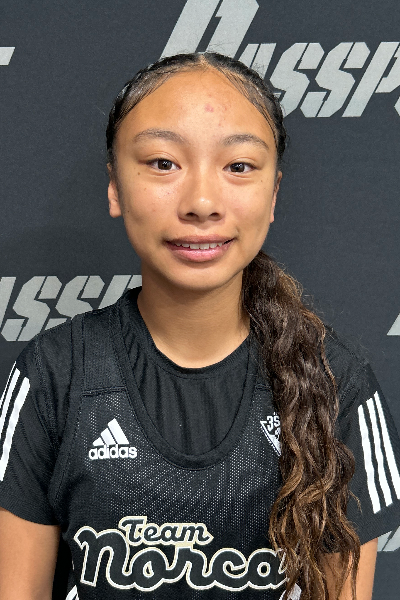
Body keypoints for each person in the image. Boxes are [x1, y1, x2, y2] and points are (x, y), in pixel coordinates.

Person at [0, 52, 400, 600]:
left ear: (274, 193)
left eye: (239, 166)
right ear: (115, 186)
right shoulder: (55, 376)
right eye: (164, 163)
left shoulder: (339, 385)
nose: (202, 203)